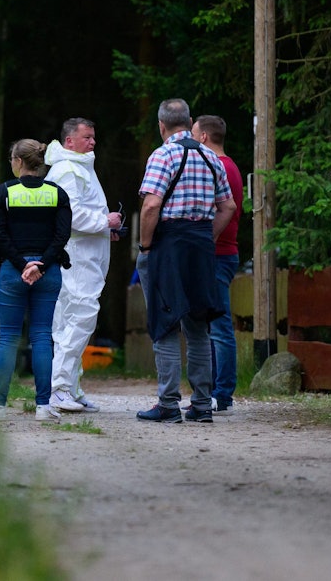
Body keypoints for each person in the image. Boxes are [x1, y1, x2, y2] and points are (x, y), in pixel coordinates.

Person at [135, 98, 236, 424]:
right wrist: (208, 238)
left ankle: (168, 404)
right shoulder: (210, 156)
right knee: (198, 327)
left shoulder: (162, 155)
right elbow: (229, 206)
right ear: (189, 121)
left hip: (168, 246)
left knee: (164, 325)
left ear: (162, 126)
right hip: (201, 246)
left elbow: (151, 206)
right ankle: (202, 405)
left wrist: (145, 246)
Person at [0, 139, 72, 422]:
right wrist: (41, 265)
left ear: (19, 162)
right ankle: (43, 406)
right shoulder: (57, 193)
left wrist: (23, 265)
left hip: (13, 271)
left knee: (9, 337)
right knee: (41, 336)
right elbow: (62, 236)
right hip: (48, 273)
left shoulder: (5, 192)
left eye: (12, 158)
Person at [43, 118, 123, 413]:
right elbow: (70, 215)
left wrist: (105, 229)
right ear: (69, 142)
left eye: (93, 137)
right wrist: (105, 221)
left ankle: (71, 388)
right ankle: (59, 388)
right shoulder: (67, 170)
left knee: (75, 321)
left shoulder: (80, 168)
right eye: (86, 137)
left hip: (85, 257)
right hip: (76, 259)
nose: (92, 142)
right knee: (78, 319)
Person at [192, 115, 244, 415]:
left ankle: (221, 392)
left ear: (204, 138)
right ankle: (216, 389)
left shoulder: (217, 167)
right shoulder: (230, 166)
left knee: (220, 325)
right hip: (223, 252)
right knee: (215, 323)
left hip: (218, 252)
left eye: (194, 134)